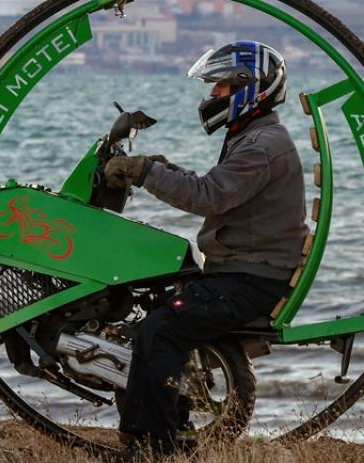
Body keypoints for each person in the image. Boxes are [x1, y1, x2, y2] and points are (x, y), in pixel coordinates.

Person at [102, 40, 309, 457]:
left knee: (161, 329)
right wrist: (162, 169)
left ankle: (154, 446)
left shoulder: (261, 145)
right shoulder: (253, 136)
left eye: (220, 87)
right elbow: (221, 190)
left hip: (251, 277)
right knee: (157, 304)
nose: (212, 95)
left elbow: (208, 197)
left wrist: (145, 172)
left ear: (250, 88)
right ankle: (150, 428)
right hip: (246, 269)